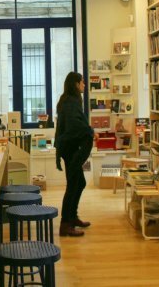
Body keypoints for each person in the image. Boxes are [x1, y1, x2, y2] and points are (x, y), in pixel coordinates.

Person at [54, 72, 97, 237]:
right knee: (73, 185)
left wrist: (88, 131)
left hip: (69, 148)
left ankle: (72, 217)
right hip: (70, 149)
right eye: (82, 82)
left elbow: (75, 124)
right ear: (76, 84)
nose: (84, 85)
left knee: (79, 183)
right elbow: (74, 125)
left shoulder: (69, 100)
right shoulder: (71, 102)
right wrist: (90, 131)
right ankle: (66, 224)